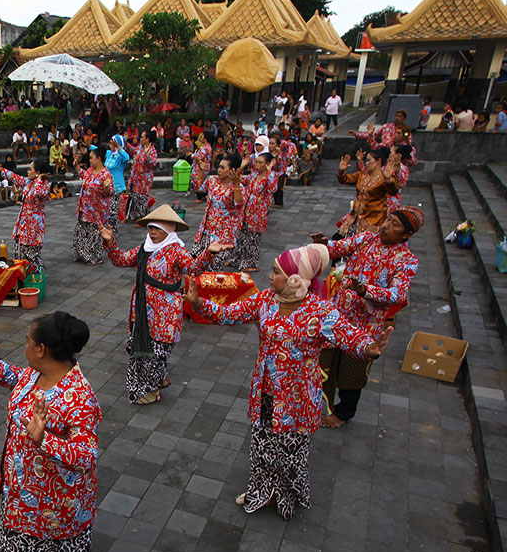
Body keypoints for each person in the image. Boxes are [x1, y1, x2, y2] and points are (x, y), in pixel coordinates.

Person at [186, 244, 393, 519]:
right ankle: (262, 491)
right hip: (265, 390)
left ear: (296, 279)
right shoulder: (265, 301)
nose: (270, 277)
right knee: (262, 444)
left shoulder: (319, 311)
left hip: (297, 398)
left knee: (290, 451)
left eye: (276, 272)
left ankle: (286, 496)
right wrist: (199, 303)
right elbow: (229, 314)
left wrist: (369, 348)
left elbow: (349, 336)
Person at [0, 311, 99, 552]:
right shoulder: (37, 374)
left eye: (27, 342)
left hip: (55, 504)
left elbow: (86, 456)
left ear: (42, 349)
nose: (25, 348)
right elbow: (18, 378)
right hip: (21, 492)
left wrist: (44, 439)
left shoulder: (79, 397)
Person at [99, 205, 229, 404]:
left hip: (165, 312)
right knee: (142, 351)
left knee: (158, 351)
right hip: (142, 309)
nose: (152, 232)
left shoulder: (176, 251)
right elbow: (120, 260)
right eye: (150, 228)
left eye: (158, 229)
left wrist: (209, 252)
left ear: (169, 229)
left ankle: (151, 384)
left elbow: (193, 268)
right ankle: (146, 387)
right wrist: (110, 242)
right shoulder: (145, 248)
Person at [311, 206, 422, 428]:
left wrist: (365, 291)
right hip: (337, 317)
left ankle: (343, 413)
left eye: (395, 225)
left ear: (407, 235)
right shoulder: (366, 239)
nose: (386, 226)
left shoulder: (407, 260)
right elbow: (336, 248)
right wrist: (323, 244)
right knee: (324, 362)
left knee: (352, 371)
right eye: (388, 220)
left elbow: (397, 294)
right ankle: (317, 402)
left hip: (365, 325)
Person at [189, 153, 245, 271]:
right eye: (219, 167)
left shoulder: (237, 187)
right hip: (206, 231)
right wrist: (202, 171)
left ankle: (212, 288)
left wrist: (236, 184)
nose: (219, 170)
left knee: (215, 265)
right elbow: (198, 187)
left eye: (223, 167)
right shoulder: (213, 181)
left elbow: (239, 204)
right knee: (195, 260)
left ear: (232, 170)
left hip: (224, 234)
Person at [336, 147, 398, 236]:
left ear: (378, 161)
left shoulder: (384, 177)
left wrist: (388, 179)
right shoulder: (362, 174)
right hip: (355, 219)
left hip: (373, 222)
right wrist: (341, 171)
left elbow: (393, 191)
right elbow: (345, 179)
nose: (366, 163)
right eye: (366, 161)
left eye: (369, 160)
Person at [2, 158, 50, 270]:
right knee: (20, 253)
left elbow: (38, 193)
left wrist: (39, 179)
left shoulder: (44, 187)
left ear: (37, 173)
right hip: (23, 225)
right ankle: (23, 277)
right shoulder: (28, 182)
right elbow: (15, 177)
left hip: (34, 227)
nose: (27, 171)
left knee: (32, 255)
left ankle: (37, 277)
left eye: (30, 169)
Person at [72, 147, 114, 265]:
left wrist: (106, 187)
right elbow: (84, 175)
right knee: (81, 231)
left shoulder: (105, 175)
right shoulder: (90, 170)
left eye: (91, 158)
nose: (89, 160)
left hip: (96, 212)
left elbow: (110, 193)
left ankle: (94, 257)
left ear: (99, 158)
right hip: (84, 209)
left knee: (93, 234)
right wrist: (76, 166)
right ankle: (81, 254)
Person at [237, 152, 278, 272]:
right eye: (257, 162)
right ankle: (240, 259)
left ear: (267, 164)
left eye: (261, 162)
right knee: (243, 237)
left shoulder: (270, 176)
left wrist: (269, 171)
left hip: (257, 214)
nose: (257, 165)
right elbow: (237, 179)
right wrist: (242, 166)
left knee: (253, 239)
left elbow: (272, 188)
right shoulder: (253, 175)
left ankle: (252, 264)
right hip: (246, 212)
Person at [126, 131, 157, 222]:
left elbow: (153, 163)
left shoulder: (152, 150)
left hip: (144, 180)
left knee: (142, 198)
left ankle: (142, 218)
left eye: (142, 137)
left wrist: (147, 154)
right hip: (136, 177)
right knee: (135, 197)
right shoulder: (140, 147)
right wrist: (127, 142)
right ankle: (135, 216)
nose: (140, 139)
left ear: (147, 139)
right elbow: (133, 150)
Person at [104, 135, 129, 234]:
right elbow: (98, 151)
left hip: (116, 187)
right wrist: (89, 146)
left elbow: (127, 158)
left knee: (113, 211)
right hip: (107, 186)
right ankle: (107, 230)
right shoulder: (109, 154)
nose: (111, 144)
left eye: (113, 143)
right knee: (106, 209)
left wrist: (118, 147)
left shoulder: (120, 157)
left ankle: (113, 232)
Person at [190, 133, 213, 201]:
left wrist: (192, 155)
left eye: (203, 136)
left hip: (200, 166)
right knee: (203, 181)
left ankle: (200, 197)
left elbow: (200, 157)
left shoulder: (205, 148)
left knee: (198, 181)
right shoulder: (208, 147)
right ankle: (204, 195)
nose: (201, 137)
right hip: (205, 166)